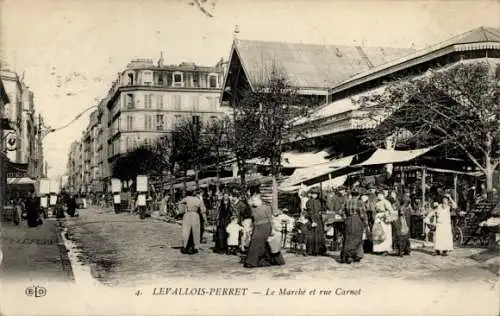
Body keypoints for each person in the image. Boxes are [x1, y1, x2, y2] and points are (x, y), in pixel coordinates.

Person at [244, 185, 285, 268]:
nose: (253, 201)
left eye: (255, 200)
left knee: (255, 243)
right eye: (252, 200)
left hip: (265, 227)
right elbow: (252, 216)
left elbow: (271, 220)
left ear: (259, 199)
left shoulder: (266, 208)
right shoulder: (253, 208)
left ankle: (251, 262)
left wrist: (273, 229)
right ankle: (267, 260)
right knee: (262, 244)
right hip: (256, 227)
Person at [340, 189, 367, 263]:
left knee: (348, 238)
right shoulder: (360, 202)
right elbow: (363, 214)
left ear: (351, 194)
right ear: (358, 195)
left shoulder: (347, 201)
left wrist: (346, 218)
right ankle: (355, 255)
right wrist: (365, 223)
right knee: (357, 238)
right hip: (357, 220)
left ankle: (346, 256)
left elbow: (341, 212)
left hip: (348, 220)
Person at [179, 189, 205, 255]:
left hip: (187, 215)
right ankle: (193, 248)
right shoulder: (199, 201)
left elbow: (180, 202)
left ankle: (185, 247)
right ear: (196, 194)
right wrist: (205, 220)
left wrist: (182, 211)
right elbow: (203, 211)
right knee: (195, 232)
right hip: (195, 215)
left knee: (186, 231)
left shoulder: (187, 198)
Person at [305, 187, 327, 256]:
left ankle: (319, 250)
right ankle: (312, 251)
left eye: (316, 194)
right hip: (313, 220)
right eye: (313, 194)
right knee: (312, 236)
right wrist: (313, 221)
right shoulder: (309, 201)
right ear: (311, 194)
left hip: (319, 219)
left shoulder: (318, 201)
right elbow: (310, 212)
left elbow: (323, 208)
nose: (315, 195)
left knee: (319, 235)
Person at [373, 190, 394, 255]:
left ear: (383, 195)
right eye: (378, 195)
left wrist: (383, 214)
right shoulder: (377, 202)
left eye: (380, 195)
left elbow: (391, 211)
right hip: (378, 219)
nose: (379, 196)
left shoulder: (386, 202)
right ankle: (378, 249)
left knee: (385, 234)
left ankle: (385, 249)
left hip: (384, 220)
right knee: (377, 233)